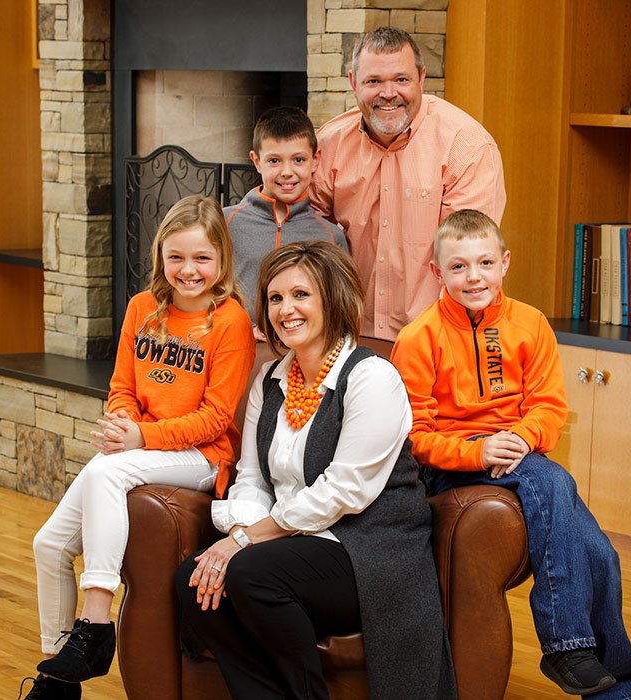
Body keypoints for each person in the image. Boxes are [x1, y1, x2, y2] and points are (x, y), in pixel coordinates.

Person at [174, 240, 456, 700]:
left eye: (301, 295)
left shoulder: (371, 377)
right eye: (276, 297)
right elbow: (252, 478)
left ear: (332, 298)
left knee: (250, 573)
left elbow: (344, 491)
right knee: (194, 584)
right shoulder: (270, 380)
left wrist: (244, 541)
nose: (287, 309)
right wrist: (244, 533)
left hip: (367, 552)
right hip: (290, 544)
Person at [391, 209, 631, 699]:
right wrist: (478, 452)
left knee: (601, 556)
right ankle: (566, 644)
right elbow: (412, 438)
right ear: (437, 271)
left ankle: (615, 694)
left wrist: (523, 439)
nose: (473, 276)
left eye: (484, 262)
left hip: (522, 455)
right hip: (454, 468)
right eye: (458, 267)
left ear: (504, 263)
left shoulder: (531, 323)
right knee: (554, 481)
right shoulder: (418, 338)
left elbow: (549, 407)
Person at [19, 195, 256, 700]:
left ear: (221, 261)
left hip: (201, 458)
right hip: (139, 448)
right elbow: (122, 386)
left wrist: (139, 439)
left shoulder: (231, 321)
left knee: (109, 472)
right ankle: (57, 679)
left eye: (201, 259)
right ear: (160, 257)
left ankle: (96, 620)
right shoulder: (142, 308)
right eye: (176, 257)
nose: (188, 270)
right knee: (48, 545)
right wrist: (121, 423)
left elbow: (216, 418)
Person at [309, 26, 506, 340]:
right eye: (374, 81)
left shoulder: (466, 146)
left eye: (401, 80)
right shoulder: (328, 146)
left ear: (421, 79)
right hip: (346, 338)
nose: (389, 93)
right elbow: (303, 239)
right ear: (353, 83)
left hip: (440, 340)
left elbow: (469, 265)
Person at [223, 106, 348, 327]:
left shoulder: (331, 236)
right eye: (274, 161)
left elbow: (339, 307)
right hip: (236, 347)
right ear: (256, 161)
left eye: (298, 160)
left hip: (303, 355)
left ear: (315, 160)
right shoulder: (225, 223)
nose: (287, 171)